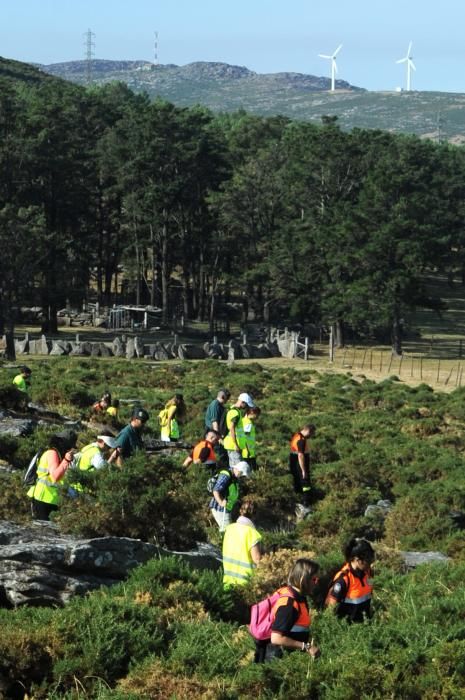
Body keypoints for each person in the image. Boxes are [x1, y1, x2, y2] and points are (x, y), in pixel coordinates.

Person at [254, 558, 320, 663]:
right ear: (303, 579)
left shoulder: (298, 597)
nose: (316, 583)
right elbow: (276, 638)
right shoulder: (289, 605)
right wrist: (306, 646)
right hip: (278, 661)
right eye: (314, 579)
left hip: (288, 659)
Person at [27, 429, 77, 521]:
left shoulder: (59, 454)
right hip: (43, 500)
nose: (70, 449)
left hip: (52, 500)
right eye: (69, 447)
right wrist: (66, 461)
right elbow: (55, 477)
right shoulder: (52, 453)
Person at [325, 538, 375, 623]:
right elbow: (330, 607)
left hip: (366, 625)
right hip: (348, 629)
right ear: (357, 560)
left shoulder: (368, 573)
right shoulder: (344, 579)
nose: (370, 563)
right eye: (368, 560)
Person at [222, 500, 262, 587]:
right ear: (255, 515)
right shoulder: (252, 534)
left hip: (228, 581)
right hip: (246, 584)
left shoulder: (229, 529)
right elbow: (257, 560)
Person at [209, 460, 251, 531]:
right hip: (219, 508)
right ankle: (221, 540)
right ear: (238, 470)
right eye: (242, 474)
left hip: (227, 508)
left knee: (229, 528)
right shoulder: (226, 475)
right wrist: (221, 502)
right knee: (227, 529)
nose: (242, 476)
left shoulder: (233, 476)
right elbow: (216, 490)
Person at [289, 424, 316, 519]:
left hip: (293, 463)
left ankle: (298, 500)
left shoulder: (296, 435)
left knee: (297, 482)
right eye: (312, 433)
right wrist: (304, 470)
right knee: (305, 484)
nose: (312, 436)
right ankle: (305, 504)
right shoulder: (301, 440)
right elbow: (300, 456)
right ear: (309, 431)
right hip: (299, 464)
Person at [223, 393, 255, 468]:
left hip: (233, 446)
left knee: (235, 468)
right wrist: (236, 445)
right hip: (233, 446)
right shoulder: (235, 413)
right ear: (242, 402)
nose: (246, 407)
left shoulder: (236, 411)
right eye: (246, 405)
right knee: (237, 468)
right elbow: (232, 428)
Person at [242, 406, 260, 471]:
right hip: (248, 452)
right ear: (252, 413)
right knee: (251, 469)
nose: (257, 417)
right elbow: (244, 437)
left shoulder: (243, 420)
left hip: (246, 451)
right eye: (257, 415)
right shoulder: (248, 423)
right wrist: (248, 450)